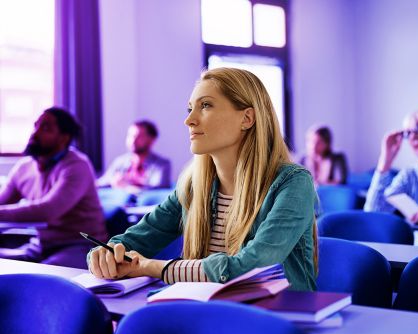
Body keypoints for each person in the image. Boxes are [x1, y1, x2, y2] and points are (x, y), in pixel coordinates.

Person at [88, 68, 318, 291]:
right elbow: (134, 239)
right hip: (205, 312)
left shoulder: (293, 183)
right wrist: (105, 255)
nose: (189, 120)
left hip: (277, 317)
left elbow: (254, 266)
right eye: (190, 109)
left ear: (247, 118)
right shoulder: (192, 185)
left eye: (205, 105)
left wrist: (152, 267)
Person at [0, 107, 107, 269]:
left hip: (80, 246)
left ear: (64, 137)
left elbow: (48, 210)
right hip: (40, 246)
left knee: (39, 279)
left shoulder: (77, 165)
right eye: (36, 126)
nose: (35, 133)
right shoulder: (24, 167)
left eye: (45, 128)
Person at [97, 120, 171, 193]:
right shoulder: (120, 161)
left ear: (151, 140)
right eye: (130, 136)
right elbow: (103, 182)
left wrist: (126, 187)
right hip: (120, 203)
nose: (133, 140)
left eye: (139, 136)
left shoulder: (162, 165)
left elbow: (158, 193)